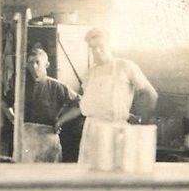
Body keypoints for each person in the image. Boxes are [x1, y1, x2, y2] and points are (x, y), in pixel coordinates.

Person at [57, 28, 158, 165]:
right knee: (90, 175)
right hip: (91, 131)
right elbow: (84, 106)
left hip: (116, 130)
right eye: (93, 48)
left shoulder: (126, 67)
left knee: (115, 173)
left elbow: (150, 94)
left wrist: (142, 120)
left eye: (100, 46)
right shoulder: (89, 74)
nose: (97, 51)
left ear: (110, 45)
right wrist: (60, 121)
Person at [1, 45, 81, 162]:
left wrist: (60, 121)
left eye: (38, 62)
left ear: (47, 64)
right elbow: (4, 102)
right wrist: (14, 119)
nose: (34, 66)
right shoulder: (20, 87)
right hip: (26, 138)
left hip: (48, 139)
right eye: (30, 62)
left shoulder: (57, 87)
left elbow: (79, 105)